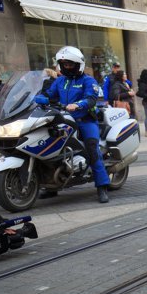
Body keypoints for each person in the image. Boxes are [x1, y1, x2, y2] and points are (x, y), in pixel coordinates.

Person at [44, 46, 110, 203]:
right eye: (64, 64)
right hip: (63, 119)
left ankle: (102, 186)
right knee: (50, 148)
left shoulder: (88, 80)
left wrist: (79, 104)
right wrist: (36, 99)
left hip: (84, 120)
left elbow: (92, 98)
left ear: (77, 64)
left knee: (93, 148)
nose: (66, 67)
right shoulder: (60, 81)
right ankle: (51, 186)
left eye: (69, 64)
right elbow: (48, 94)